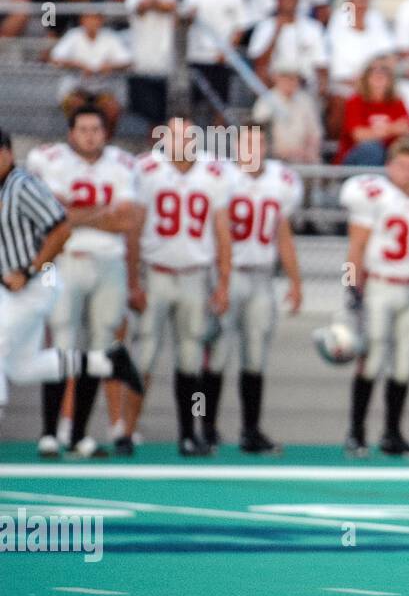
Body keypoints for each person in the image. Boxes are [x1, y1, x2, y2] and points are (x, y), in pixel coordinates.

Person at [0, 125, 143, 433]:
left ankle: (75, 429)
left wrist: (30, 269)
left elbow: (61, 228)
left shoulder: (23, 186)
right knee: (24, 368)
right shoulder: (18, 181)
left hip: (36, 280)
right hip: (17, 284)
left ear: (7, 153)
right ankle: (106, 364)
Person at [122, 117, 233, 457]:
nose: (182, 143)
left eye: (187, 137)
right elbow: (134, 228)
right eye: (175, 137)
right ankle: (126, 431)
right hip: (156, 274)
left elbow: (222, 231)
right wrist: (132, 281)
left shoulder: (213, 172)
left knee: (190, 362)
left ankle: (190, 433)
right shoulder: (146, 169)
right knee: (145, 358)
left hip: (195, 277)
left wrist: (223, 283)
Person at [338, 140, 409, 456]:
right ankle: (356, 432)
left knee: (405, 365)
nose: (408, 173)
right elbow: (356, 247)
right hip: (379, 285)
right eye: (402, 166)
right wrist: (351, 287)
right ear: (389, 167)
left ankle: (392, 433)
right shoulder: (374, 195)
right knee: (372, 359)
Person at [199, 126, 303, 453]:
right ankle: (205, 426)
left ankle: (250, 430)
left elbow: (283, 234)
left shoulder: (282, 180)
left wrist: (295, 280)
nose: (253, 149)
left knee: (255, 357)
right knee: (214, 357)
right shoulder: (222, 177)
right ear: (237, 146)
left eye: (259, 143)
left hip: (261, 276)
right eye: (247, 143)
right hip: (225, 276)